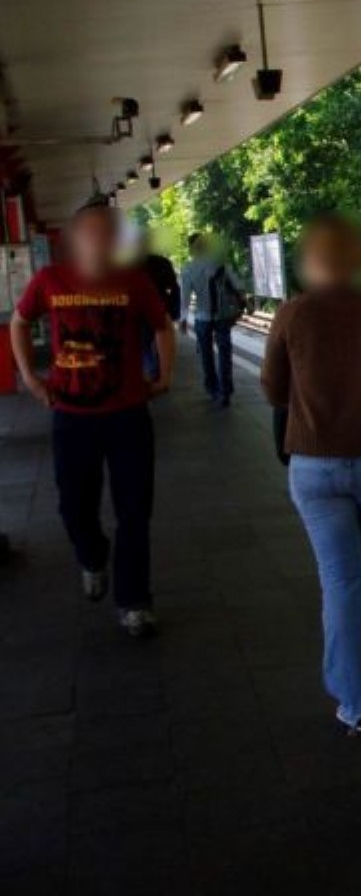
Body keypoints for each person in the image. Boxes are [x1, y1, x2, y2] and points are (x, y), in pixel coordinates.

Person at [261, 214, 361, 735]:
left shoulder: (291, 314)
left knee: (340, 580)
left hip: (314, 466)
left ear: (310, 261)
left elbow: (272, 390)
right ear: (357, 260)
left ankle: (358, 704)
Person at [9, 200, 176, 638]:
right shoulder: (50, 280)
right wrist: (31, 378)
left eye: (109, 232)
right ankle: (92, 555)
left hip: (128, 415)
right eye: (93, 231)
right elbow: (20, 322)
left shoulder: (134, 281)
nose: (102, 240)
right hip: (71, 416)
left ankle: (134, 601)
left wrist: (165, 373)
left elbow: (162, 326)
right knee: (74, 505)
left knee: (134, 510)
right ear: (76, 238)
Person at [180, 233, 244, 407]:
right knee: (225, 354)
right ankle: (225, 391)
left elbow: (185, 297)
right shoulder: (221, 263)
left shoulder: (188, 268)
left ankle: (213, 389)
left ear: (191, 249)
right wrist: (242, 304)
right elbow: (238, 285)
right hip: (222, 316)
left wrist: (183, 319)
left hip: (202, 318)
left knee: (206, 355)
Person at [138, 235, 181, 381]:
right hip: (161, 308)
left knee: (144, 342)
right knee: (160, 340)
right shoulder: (163, 263)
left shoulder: (131, 265)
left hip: (141, 311)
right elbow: (174, 288)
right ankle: (157, 369)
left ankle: (151, 369)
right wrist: (174, 310)